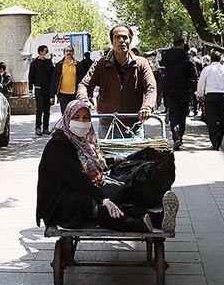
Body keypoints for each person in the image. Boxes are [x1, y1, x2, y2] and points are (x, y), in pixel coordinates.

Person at [36, 99, 179, 234]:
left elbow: (91, 162)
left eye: (85, 118)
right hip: (60, 203)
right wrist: (103, 199)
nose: (81, 122)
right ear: (67, 118)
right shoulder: (59, 144)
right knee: (96, 205)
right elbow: (77, 178)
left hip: (77, 191)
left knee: (119, 199)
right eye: (76, 118)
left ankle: (158, 219)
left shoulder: (82, 141)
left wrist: (112, 161)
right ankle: (135, 225)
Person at [77, 25, 157, 134]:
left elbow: (151, 88)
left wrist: (147, 107)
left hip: (134, 124)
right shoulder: (101, 64)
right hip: (107, 123)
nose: (121, 40)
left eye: (125, 37)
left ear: (130, 40)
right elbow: (84, 85)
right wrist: (84, 100)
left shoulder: (141, 63)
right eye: (117, 37)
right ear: (112, 41)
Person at [160, 38, 197, 150]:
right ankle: (180, 136)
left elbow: (163, 69)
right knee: (182, 115)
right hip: (184, 90)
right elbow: (193, 75)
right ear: (182, 44)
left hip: (170, 89)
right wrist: (194, 89)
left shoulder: (166, 55)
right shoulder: (187, 57)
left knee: (173, 114)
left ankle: (176, 136)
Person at [28, 45, 54, 136]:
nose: (47, 53)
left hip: (48, 89)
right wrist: (30, 89)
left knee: (47, 109)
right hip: (38, 89)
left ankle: (46, 128)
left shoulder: (49, 63)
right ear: (41, 52)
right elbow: (31, 76)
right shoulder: (34, 63)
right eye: (46, 51)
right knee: (39, 109)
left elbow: (53, 75)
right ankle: (38, 127)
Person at [51, 46, 85, 114]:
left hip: (74, 94)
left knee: (74, 113)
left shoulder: (78, 65)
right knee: (65, 113)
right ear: (64, 53)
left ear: (73, 53)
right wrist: (52, 95)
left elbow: (83, 80)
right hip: (63, 94)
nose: (69, 52)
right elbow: (54, 80)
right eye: (67, 51)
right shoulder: (59, 65)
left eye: (70, 51)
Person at [189, 49, 203, 118]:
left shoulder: (189, 60)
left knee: (188, 95)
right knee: (195, 96)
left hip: (189, 80)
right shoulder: (199, 61)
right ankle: (196, 110)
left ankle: (187, 110)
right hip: (197, 80)